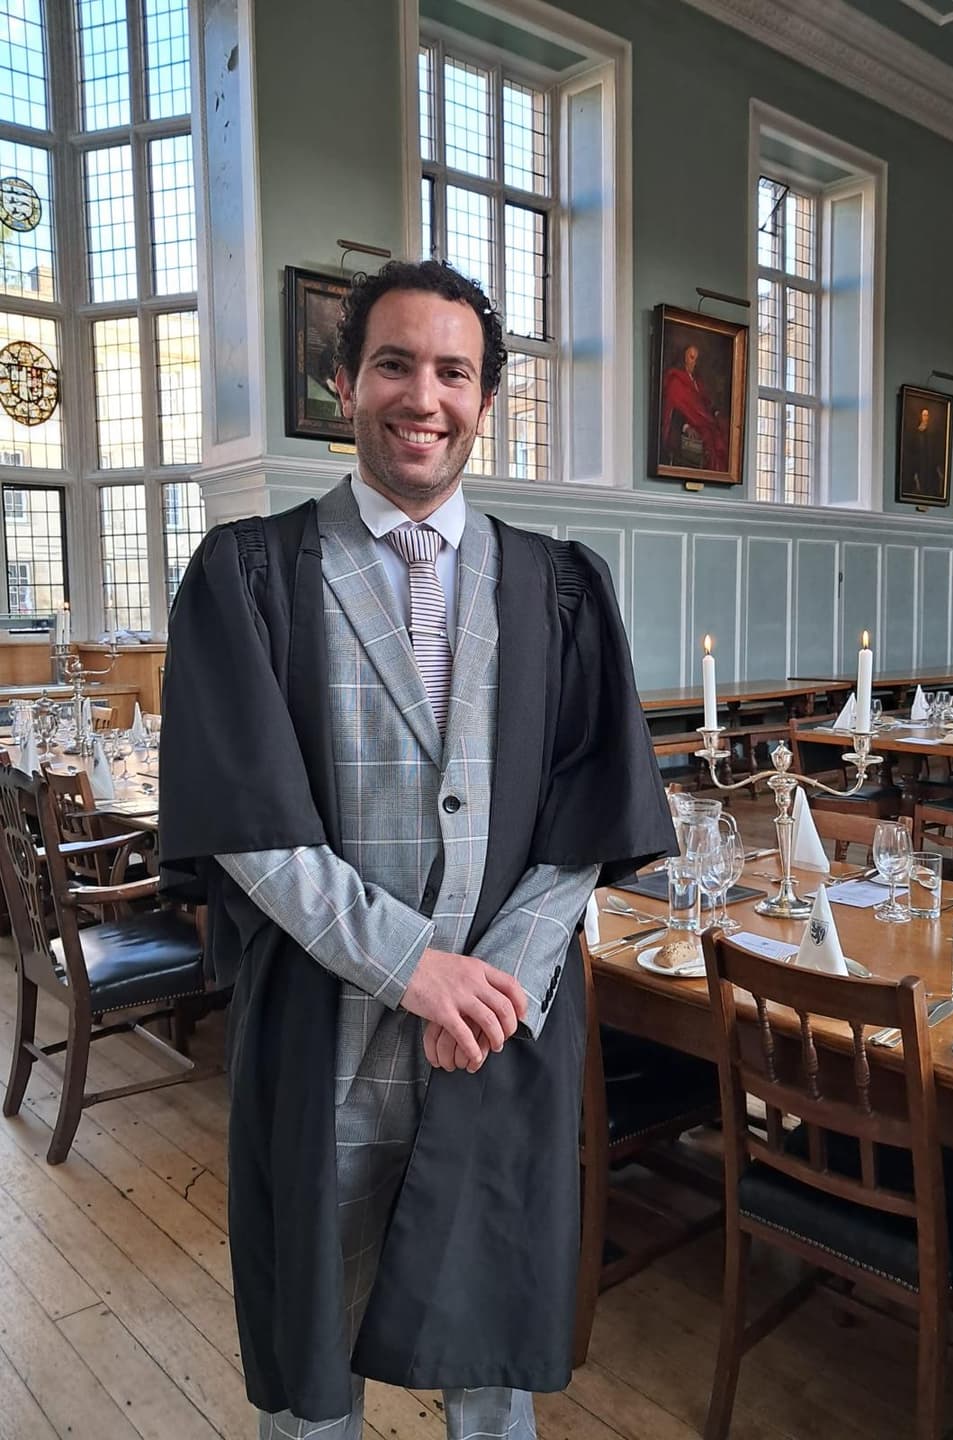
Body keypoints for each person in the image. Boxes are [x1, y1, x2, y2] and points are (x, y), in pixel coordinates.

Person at [158, 259, 674, 1439]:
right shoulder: (248, 576)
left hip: (500, 1036)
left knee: (493, 1372)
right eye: (394, 364)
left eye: (454, 371)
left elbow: (586, 822)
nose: (423, 397)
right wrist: (411, 967)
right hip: (321, 1033)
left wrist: (491, 986)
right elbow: (251, 828)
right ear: (344, 383)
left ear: (486, 398)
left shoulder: (559, 587)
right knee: (312, 1376)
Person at [660, 340, 729, 471]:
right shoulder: (676, 380)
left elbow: (704, 403)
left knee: (723, 429)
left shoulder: (697, 381)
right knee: (709, 438)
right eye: (692, 357)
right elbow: (673, 410)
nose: (694, 362)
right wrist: (686, 427)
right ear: (684, 358)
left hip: (703, 420)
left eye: (696, 359)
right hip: (685, 425)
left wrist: (715, 412)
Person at [903, 404, 945, 498]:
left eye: (927, 415)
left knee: (930, 478)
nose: (925, 417)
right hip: (919, 459)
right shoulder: (917, 430)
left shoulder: (934, 431)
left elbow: (935, 447)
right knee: (920, 477)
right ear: (921, 416)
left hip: (929, 460)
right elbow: (912, 446)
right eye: (924, 415)